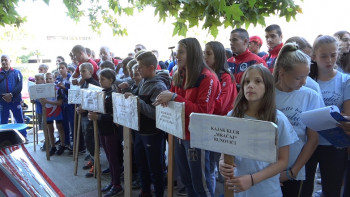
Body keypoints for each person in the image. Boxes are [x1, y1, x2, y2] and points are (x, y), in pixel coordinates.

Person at [154, 38, 221, 197]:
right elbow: (173, 101)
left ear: (192, 53)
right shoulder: (179, 74)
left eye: (181, 52)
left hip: (197, 137)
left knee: (201, 184)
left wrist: (173, 97)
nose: (177, 56)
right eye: (176, 53)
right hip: (179, 134)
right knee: (187, 181)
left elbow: (202, 111)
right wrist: (165, 100)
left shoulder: (207, 77)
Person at [219, 64, 296, 197]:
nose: (250, 85)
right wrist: (221, 163)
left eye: (257, 81)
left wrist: (252, 179)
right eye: (247, 82)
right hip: (238, 190)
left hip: (267, 191)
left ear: (268, 87)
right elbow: (225, 151)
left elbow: (283, 161)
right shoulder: (232, 116)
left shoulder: (278, 119)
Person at [273, 43, 324, 196]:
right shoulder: (267, 93)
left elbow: (313, 139)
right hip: (265, 169)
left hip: (296, 169)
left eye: (306, 76)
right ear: (282, 73)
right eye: (298, 78)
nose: (304, 82)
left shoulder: (310, 96)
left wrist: (291, 172)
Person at [302, 35, 350, 197]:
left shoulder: (345, 80)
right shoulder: (306, 81)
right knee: (305, 189)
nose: (329, 60)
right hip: (308, 143)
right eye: (324, 56)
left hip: (334, 144)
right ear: (314, 57)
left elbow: (347, 115)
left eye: (333, 55)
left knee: (332, 190)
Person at [124, 51, 170, 197]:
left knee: (155, 168)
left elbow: (157, 114)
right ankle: (145, 191)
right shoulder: (143, 81)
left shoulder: (159, 87)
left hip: (153, 133)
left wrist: (136, 101)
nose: (138, 70)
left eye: (141, 67)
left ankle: (158, 193)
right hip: (140, 131)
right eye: (137, 67)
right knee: (141, 164)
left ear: (151, 68)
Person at [204, 41, 238, 192]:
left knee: (222, 166)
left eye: (209, 53)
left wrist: (203, 105)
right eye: (204, 53)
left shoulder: (225, 76)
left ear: (218, 56)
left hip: (222, 126)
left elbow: (221, 104)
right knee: (211, 166)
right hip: (210, 123)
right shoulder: (205, 75)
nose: (205, 57)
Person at [88, 68, 124, 197]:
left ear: (111, 80)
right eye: (99, 79)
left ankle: (117, 185)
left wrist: (98, 117)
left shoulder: (114, 95)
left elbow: (115, 115)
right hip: (102, 129)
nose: (100, 82)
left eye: (103, 79)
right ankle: (113, 182)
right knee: (109, 157)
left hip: (112, 131)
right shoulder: (101, 93)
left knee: (114, 158)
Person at [76, 62, 100, 177]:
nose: (81, 73)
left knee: (91, 140)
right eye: (80, 71)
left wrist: (84, 109)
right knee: (86, 138)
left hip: (91, 117)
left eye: (83, 71)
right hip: (84, 116)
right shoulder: (83, 83)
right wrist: (79, 107)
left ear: (90, 72)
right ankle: (91, 159)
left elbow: (95, 103)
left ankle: (96, 165)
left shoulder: (94, 85)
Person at [0, 54, 26, 138]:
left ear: (10, 61)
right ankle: (3, 139)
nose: (4, 62)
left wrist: (11, 95)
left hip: (15, 100)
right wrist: (3, 96)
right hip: (2, 101)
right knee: (3, 121)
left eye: (5, 60)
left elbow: (19, 86)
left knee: (19, 119)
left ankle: (23, 136)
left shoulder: (16, 72)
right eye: (2, 60)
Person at [40, 73, 66, 155]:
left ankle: (62, 145)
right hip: (47, 111)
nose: (48, 80)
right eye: (47, 79)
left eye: (50, 78)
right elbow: (41, 101)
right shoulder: (42, 89)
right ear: (44, 80)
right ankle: (53, 146)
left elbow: (60, 102)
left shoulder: (58, 89)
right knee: (49, 129)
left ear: (54, 79)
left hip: (57, 110)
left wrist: (47, 101)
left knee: (60, 128)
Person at [56, 62, 74, 149]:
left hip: (70, 104)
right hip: (62, 104)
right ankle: (66, 142)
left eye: (62, 68)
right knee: (64, 124)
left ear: (67, 68)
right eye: (59, 68)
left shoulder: (71, 78)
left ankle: (74, 143)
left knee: (73, 124)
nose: (60, 70)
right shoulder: (58, 78)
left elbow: (73, 92)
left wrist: (64, 88)